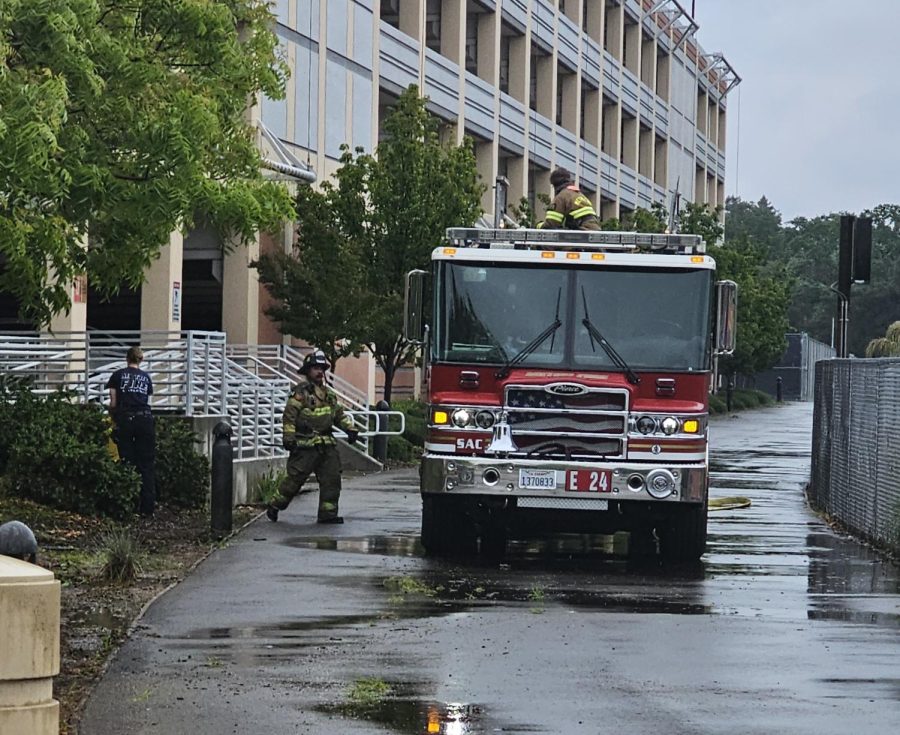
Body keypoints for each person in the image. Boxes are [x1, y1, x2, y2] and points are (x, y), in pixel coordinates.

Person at [266, 349, 359, 524]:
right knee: (294, 481)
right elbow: (289, 415)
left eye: (322, 369)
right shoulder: (300, 393)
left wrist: (350, 429)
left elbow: (338, 414)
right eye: (316, 368)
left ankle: (328, 514)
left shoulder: (329, 394)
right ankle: (275, 506)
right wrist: (288, 438)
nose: (320, 372)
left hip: (326, 445)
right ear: (308, 371)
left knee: (332, 480)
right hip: (305, 445)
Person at [107, 346, 156, 517]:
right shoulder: (146, 378)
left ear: (127, 359)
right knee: (146, 464)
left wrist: (112, 416)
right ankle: (148, 507)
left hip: (126, 418)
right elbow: (147, 400)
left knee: (127, 460)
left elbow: (113, 402)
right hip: (145, 419)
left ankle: (128, 504)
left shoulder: (117, 376)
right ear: (141, 360)